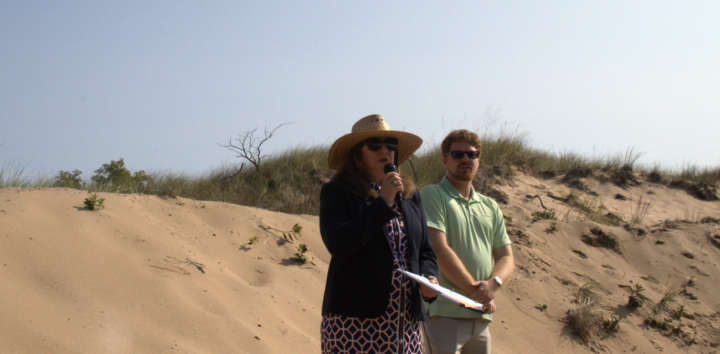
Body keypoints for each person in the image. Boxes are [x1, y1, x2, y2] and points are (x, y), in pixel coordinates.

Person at [320, 114, 440, 354]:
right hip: (355, 324)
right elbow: (339, 243)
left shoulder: (410, 195)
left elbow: (425, 250)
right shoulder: (338, 192)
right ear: (357, 153)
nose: (384, 150)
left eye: (390, 145)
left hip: (404, 325)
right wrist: (382, 202)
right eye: (375, 145)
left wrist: (430, 279)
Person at [420, 129, 515, 354]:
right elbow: (439, 250)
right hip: (445, 315)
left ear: (478, 160)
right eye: (458, 154)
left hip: (480, 319)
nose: (465, 159)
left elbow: (506, 256)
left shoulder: (490, 206)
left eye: (472, 155)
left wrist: (494, 284)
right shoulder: (433, 194)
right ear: (445, 160)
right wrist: (478, 293)